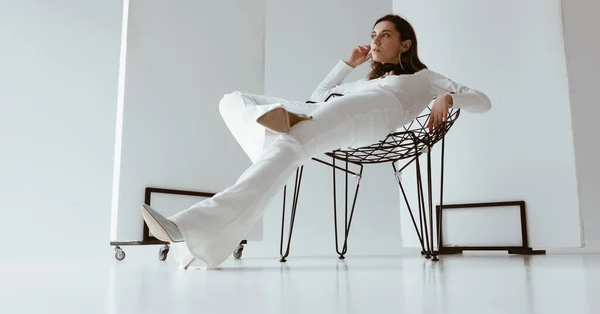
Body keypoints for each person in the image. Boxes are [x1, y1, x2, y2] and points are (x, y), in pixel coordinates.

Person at [141, 14, 492, 270]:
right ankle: (267, 168)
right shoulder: (361, 81)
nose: (375, 41)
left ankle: (187, 225)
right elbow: (318, 97)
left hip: (374, 113)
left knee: (290, 144)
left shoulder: (424, 78)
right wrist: (348, 65)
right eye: (373, 35)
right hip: (325, 110)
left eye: (384, 35)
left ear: (405, 43)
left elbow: (482, 99)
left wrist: (449, 98)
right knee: (234, 100)